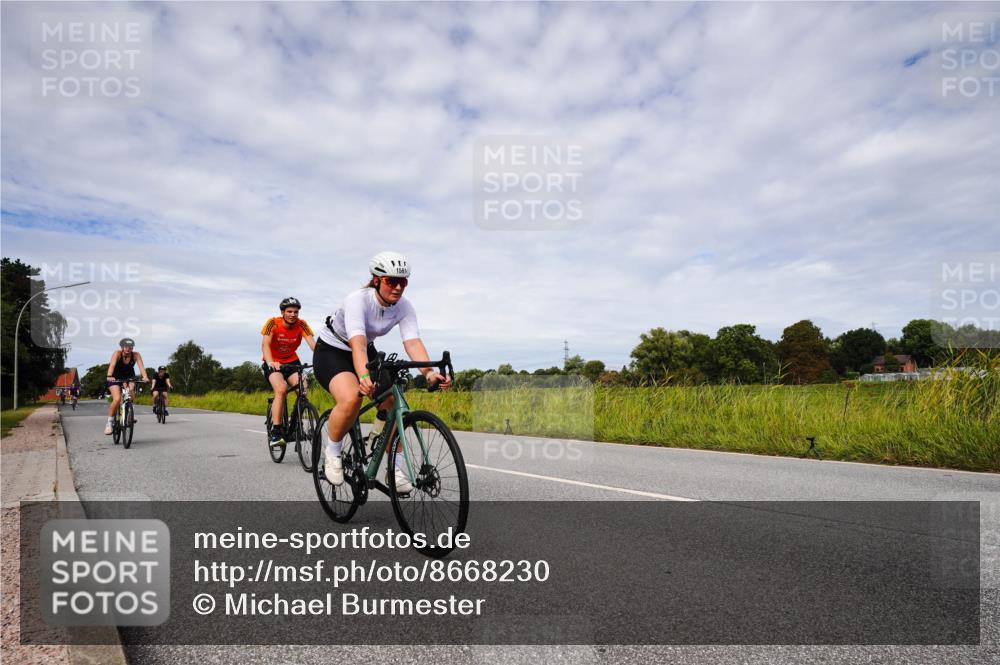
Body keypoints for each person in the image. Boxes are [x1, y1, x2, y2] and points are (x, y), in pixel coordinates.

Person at [313, 251, 450, 491]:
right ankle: (332, 452)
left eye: (403, 282)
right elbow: (357, 343)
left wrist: (428, 373)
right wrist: (364, 378)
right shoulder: (358, 300)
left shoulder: (404, 307)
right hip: (333, 350)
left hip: (366, 349)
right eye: (391, 281)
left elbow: (412, 342)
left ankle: (391, 465)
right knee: (351, 399)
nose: (398, 287)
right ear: (376, 280)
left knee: (392, 399)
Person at [261, 297, 316, 447]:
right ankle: (276, 432)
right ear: (282, 312)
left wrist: (323, 358)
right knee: (282, 390)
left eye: (296, 312)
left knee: (303, 389)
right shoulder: (272, 323)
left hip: (292, 362)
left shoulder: (302, 325)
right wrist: (271, 362)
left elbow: (312, 344)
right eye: (289, 311)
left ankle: (296, 424)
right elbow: (265, 345)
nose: (293, 314)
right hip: (273, 362)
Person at [104, 338, 148, 436]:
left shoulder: (136, 355)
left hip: (129, 376)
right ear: (122, 347)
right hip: (115, 377)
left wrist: (145, 377)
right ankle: (109, 423)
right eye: (126, 347)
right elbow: (112, 365)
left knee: (131, 391)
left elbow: (141, 367)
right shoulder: (117, 354)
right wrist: (109, 376)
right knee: (117, 398)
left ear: (133, 347)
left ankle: (129, 414)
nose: (128, 349)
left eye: (130, 347)